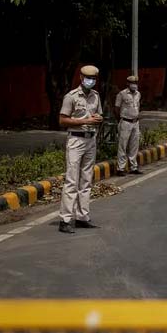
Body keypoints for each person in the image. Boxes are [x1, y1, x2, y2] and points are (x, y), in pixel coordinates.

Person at [58, 65, 103, 234]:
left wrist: (98, 119)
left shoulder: (96, 96)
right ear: (81, 78)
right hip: (76, 139)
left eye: (93, 79)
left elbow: (98, 115)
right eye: (87, 78)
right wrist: (84, 122)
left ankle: (82, 216)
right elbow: (62, 120)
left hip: (91, 140)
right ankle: (66, 219)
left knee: (86, 180)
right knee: (71, 180)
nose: (90, 81)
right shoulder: (71, 97)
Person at [114, 75, 142, 176]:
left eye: (135, 83)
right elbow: (116, 109)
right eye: (132, 83)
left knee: (134, 145)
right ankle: (120, 168)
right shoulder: (122, 94)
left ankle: (133, 167)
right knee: (123, 146)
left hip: (135, 122)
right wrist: (121, 120)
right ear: (127, 83)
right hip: (125, 122)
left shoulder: (138, 94)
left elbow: (138, 107)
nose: (134, 85)